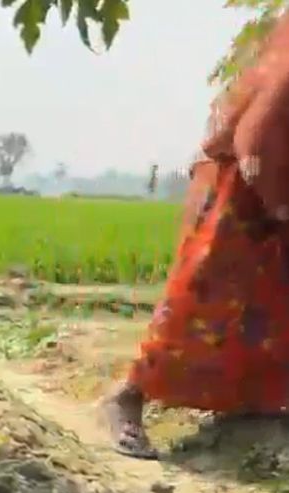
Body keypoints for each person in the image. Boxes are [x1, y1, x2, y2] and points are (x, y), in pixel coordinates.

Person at [102, 13, 289, 460]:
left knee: (272, 314)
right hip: (244, 197)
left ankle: (256, 405)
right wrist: (279, 203)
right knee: (203, 305)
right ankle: (128, 397)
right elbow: (258, 134)